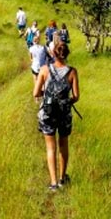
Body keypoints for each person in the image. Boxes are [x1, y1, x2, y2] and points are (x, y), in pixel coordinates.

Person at [33, 41, 80, 191]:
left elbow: (36, 93)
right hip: (64, 114)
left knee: (50, 148)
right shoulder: (72, 72)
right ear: (67, 54)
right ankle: (62, 179)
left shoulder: (44, 70)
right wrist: (65, 101)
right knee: (63, 145)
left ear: (53, 53)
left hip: (47, 114)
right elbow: (76, 96)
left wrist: (47, 96)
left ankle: (53, 183)